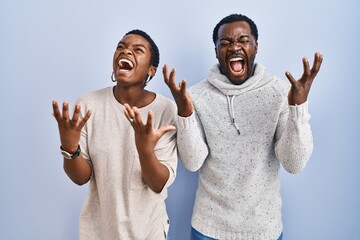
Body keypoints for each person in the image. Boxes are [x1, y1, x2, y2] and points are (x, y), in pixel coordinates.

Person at [163, 13, 323, 240]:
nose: (234, 46)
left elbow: (294, 163)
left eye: (243, 40)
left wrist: (298, 107)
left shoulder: (279, 92)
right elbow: (192, 162)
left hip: (263, 230)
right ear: (217, 51)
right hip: (208, 229)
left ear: (256, 47)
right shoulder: (195, 96)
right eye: (225, 43)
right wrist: (185, 113)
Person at [52, 29, 177, 240]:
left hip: (148, 232)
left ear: (151, 70)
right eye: (121, 47)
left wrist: (145, 150)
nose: (126, 52)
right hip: (98, 232)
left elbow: (157, 184)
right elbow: (81, 177)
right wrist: (70, 148)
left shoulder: (165, 110)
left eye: (138, 50)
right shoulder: (89, 104)